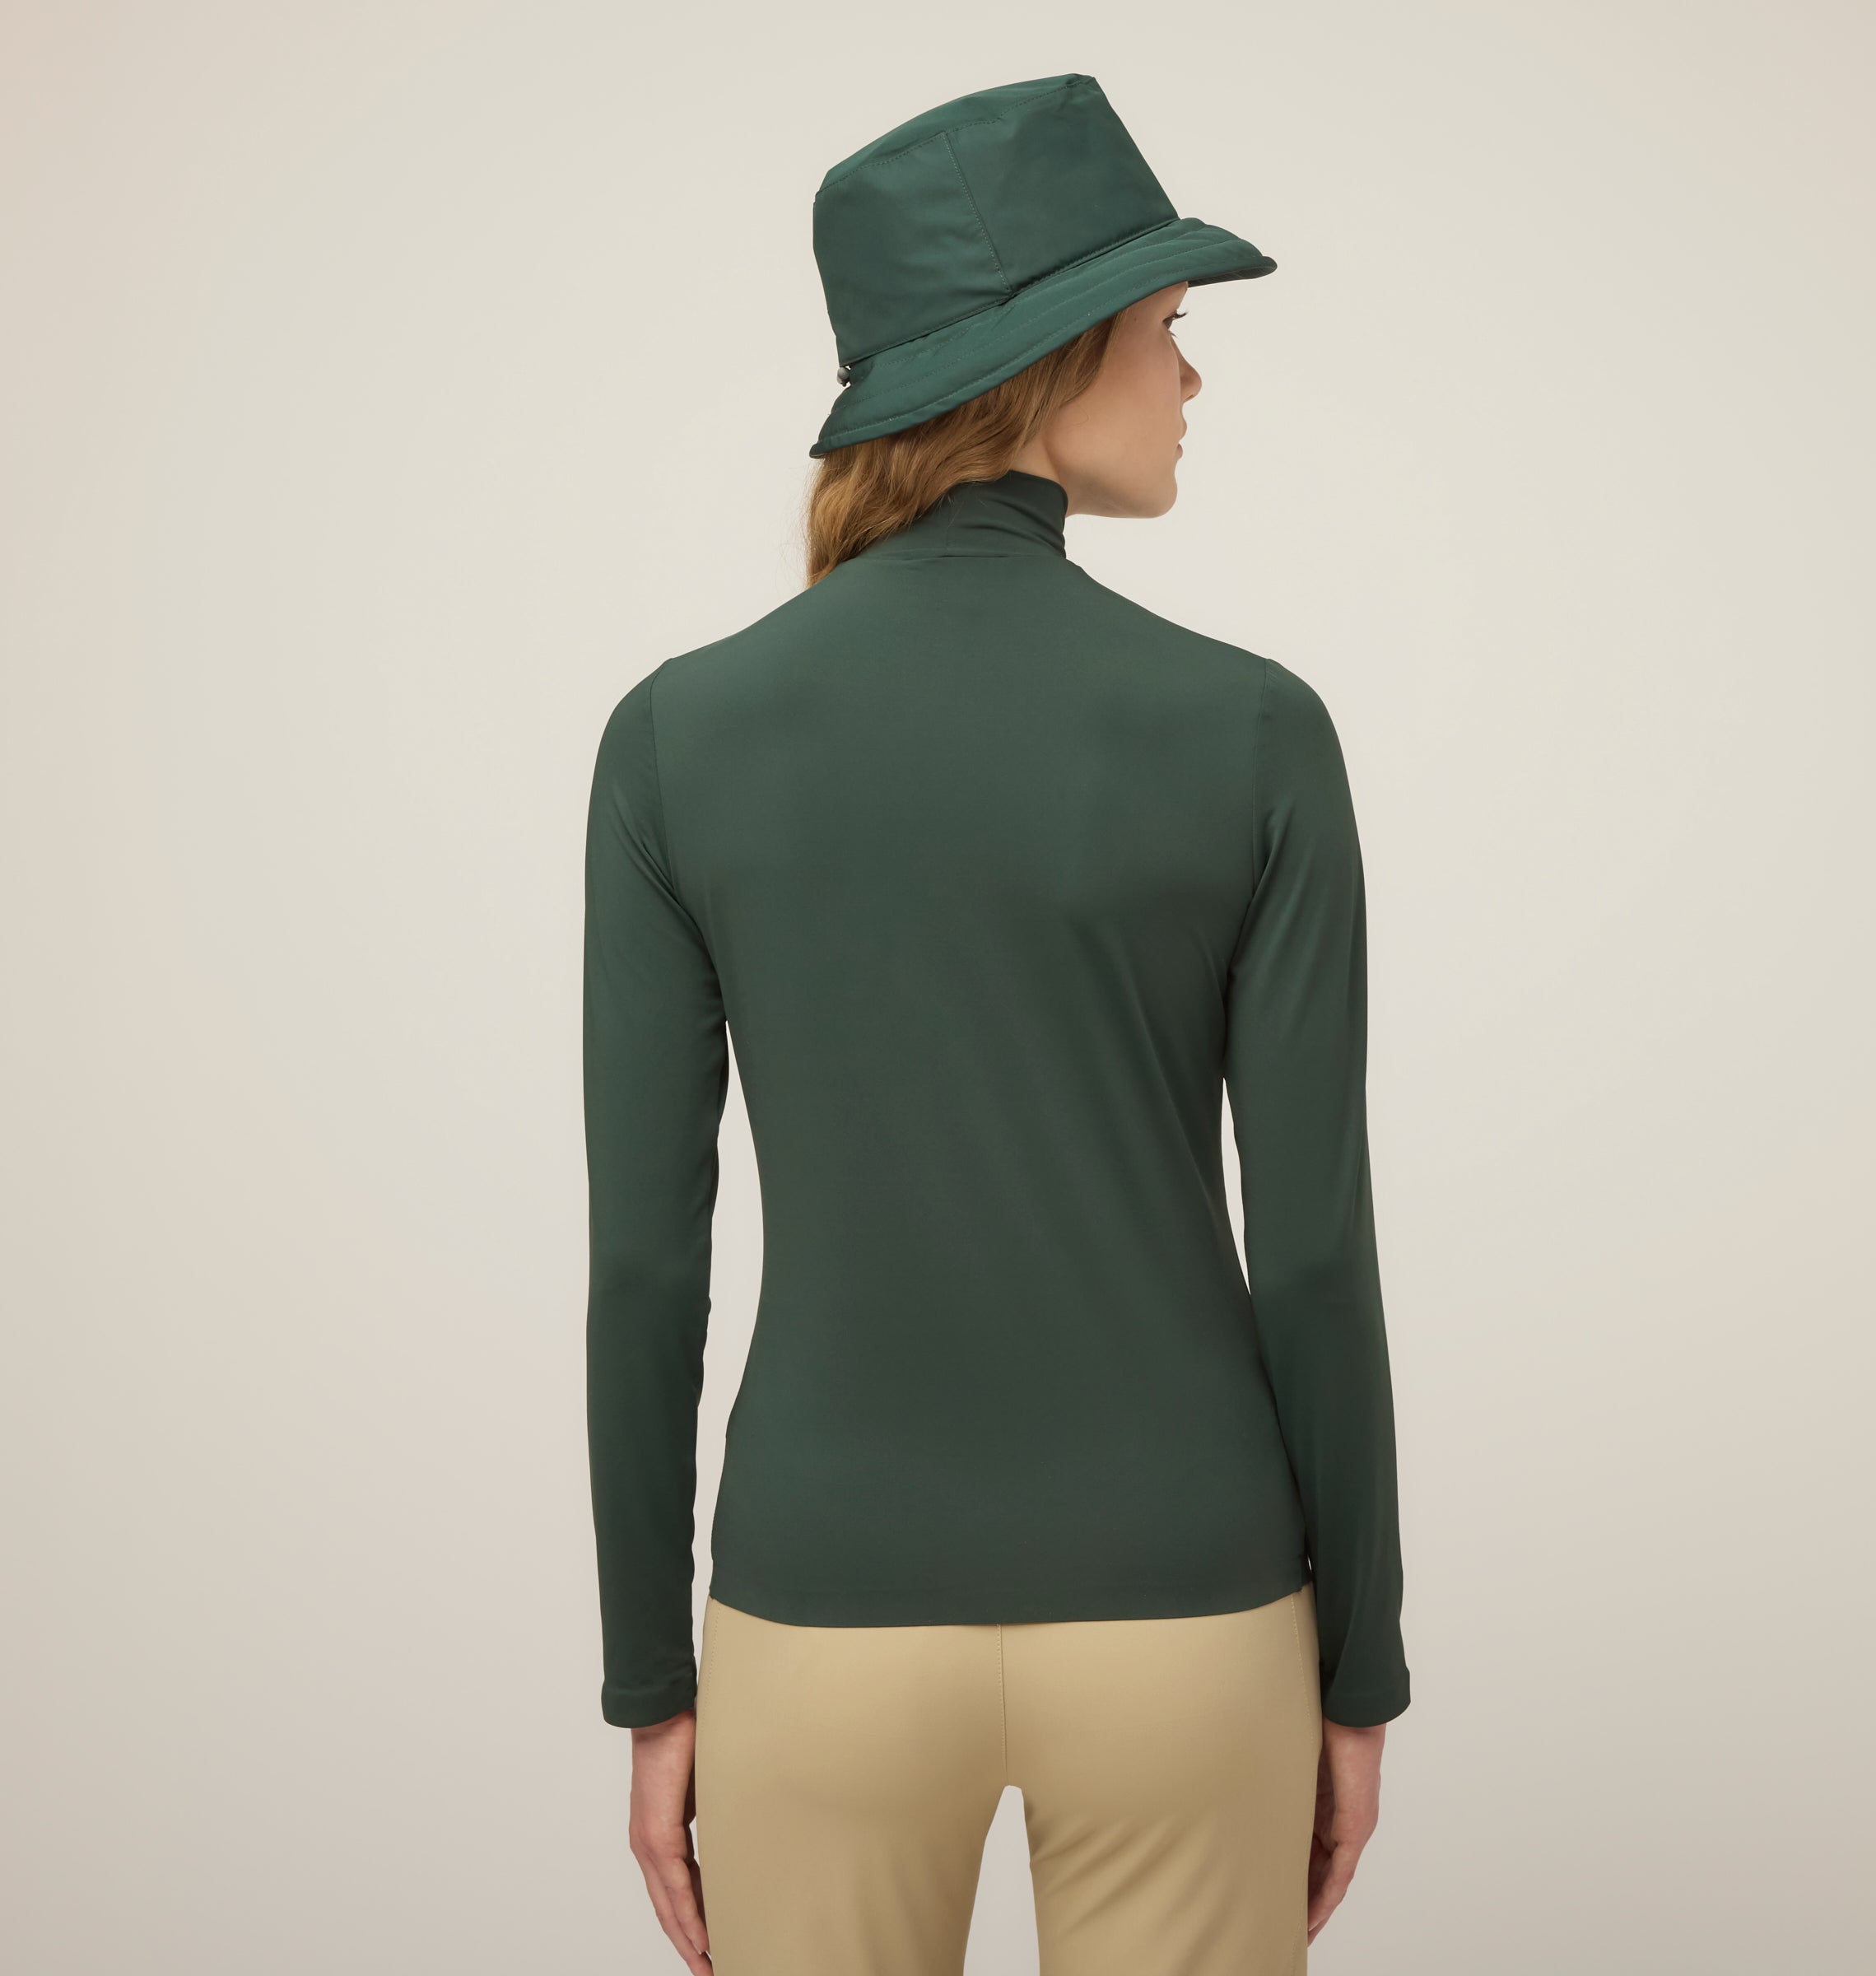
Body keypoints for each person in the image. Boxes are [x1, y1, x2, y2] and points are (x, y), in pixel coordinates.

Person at [583, 72, 1409, 1976]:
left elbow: (645, 1266)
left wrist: (651, 1684)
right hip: (1190, 1617)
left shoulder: (676, 739)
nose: (1192, 375)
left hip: (822, 1622)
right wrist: (1358, 1667)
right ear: (1049, 359)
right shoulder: (1254, 732)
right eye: (1168, 325)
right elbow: (1310, 1252)